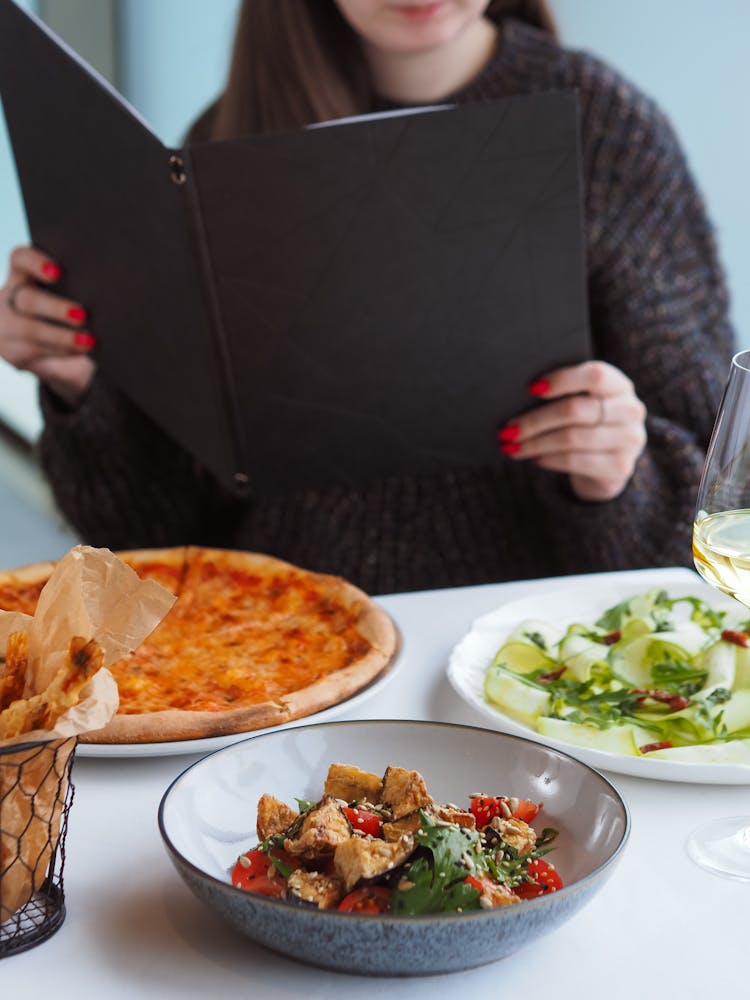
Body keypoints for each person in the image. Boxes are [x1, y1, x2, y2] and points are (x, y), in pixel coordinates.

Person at [0, 0, 735, 595]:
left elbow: (719, 503)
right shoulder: (225, 146)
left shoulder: (607, 131)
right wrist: (80, 388)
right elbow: (147, 533)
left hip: (524, 652)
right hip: (281, 635)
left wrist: (616, 475)